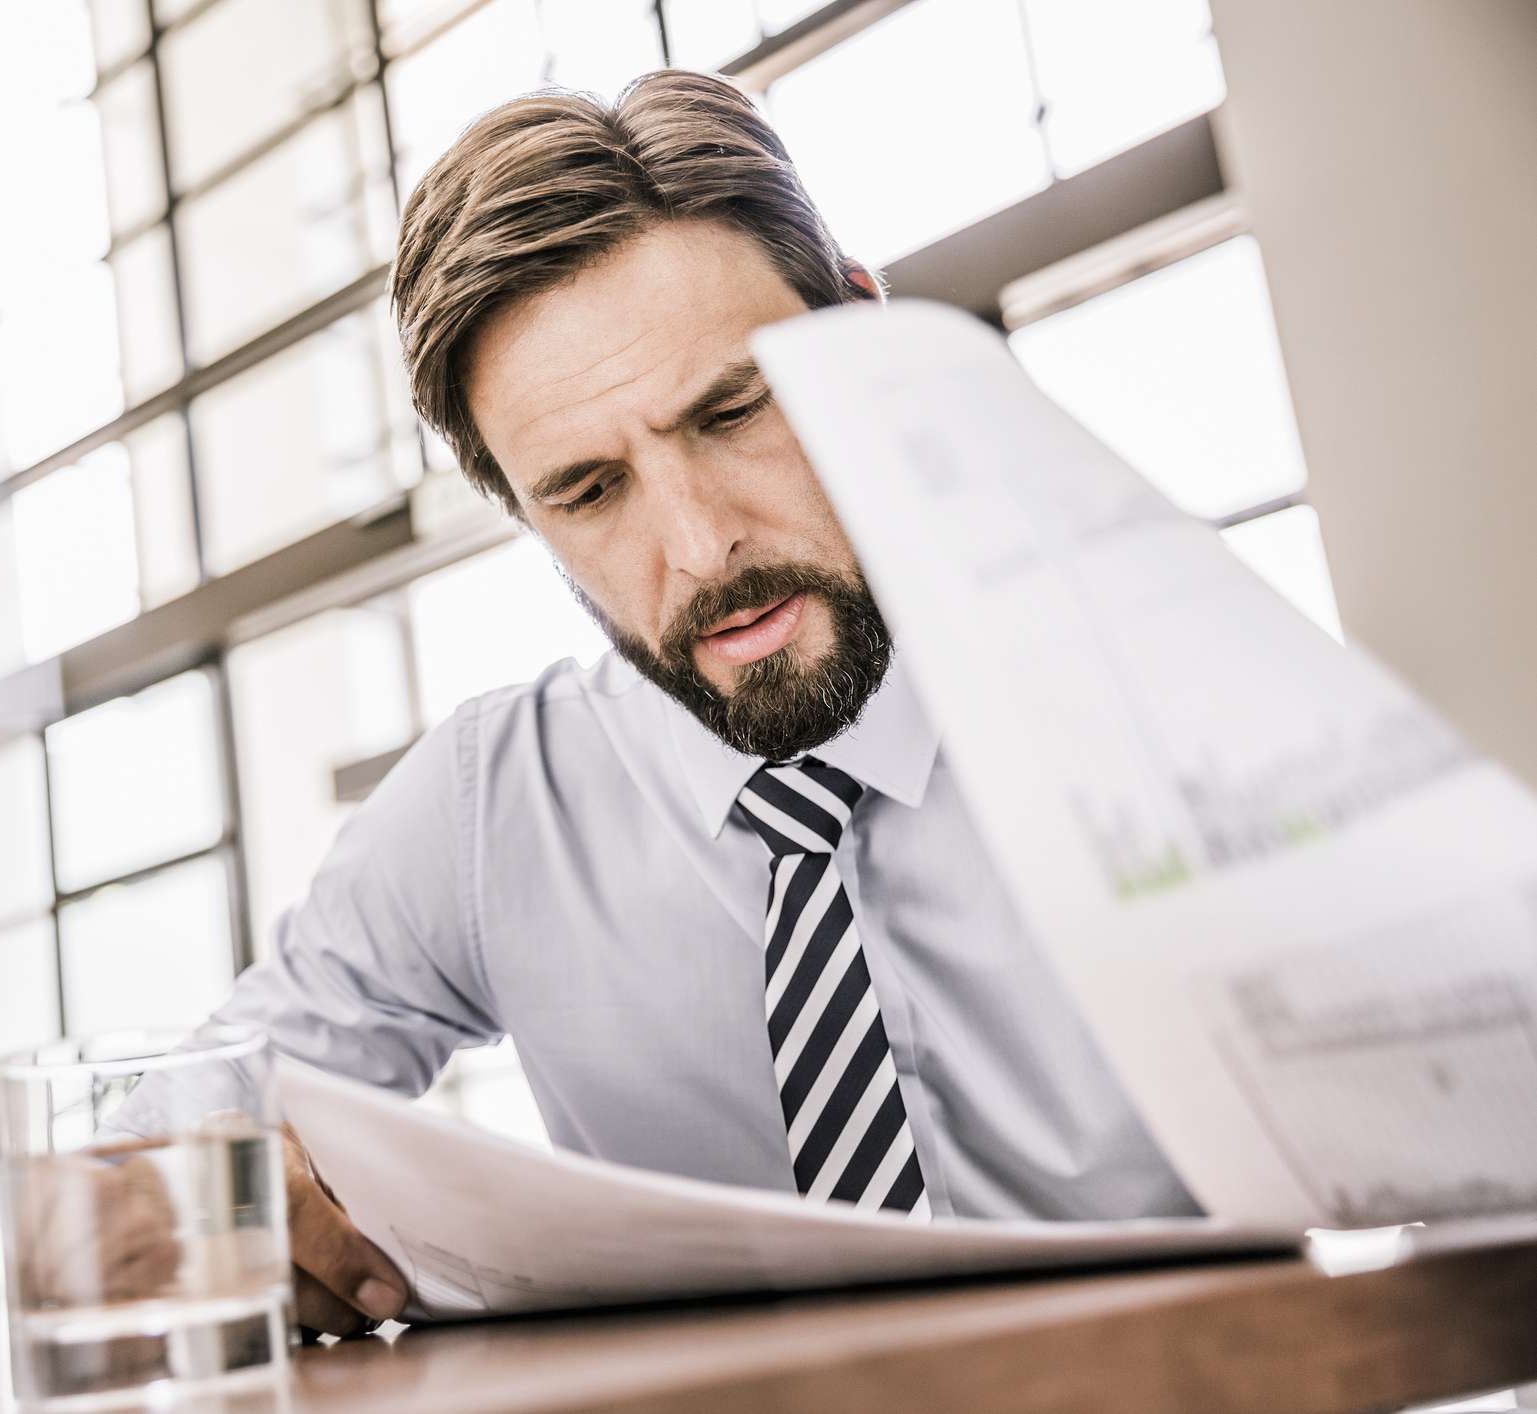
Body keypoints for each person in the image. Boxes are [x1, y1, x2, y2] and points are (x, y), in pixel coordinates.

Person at [213, 70, 1196, 1337]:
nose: (698, 548)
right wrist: (215, 1190)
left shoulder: (1149, 696)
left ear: (859, 331)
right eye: (587, 490)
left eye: (732, 411)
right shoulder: (491, 805)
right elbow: (190, 1124)